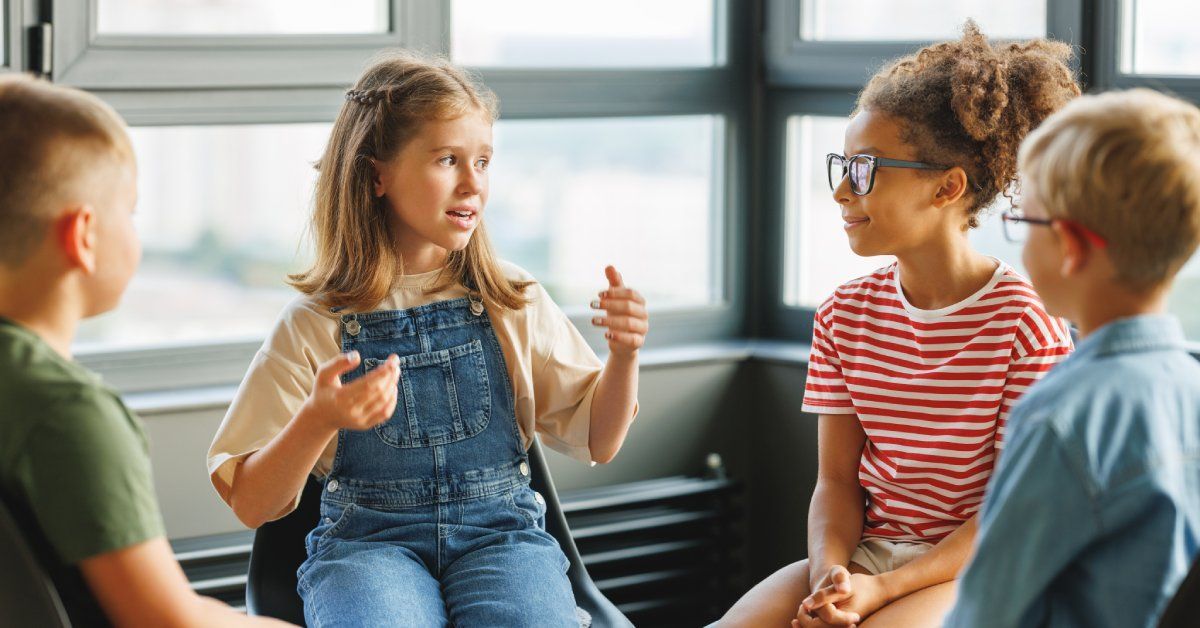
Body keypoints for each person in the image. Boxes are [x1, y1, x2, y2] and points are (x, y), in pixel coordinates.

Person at [207, 51, 646, 627]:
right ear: (376, 174)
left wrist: (624, 356)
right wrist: (317, 419)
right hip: (367, 549)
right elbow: (251, 503)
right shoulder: (314, 323)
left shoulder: (511, 296)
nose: (473, 183)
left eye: (483, 161)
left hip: (502, 540)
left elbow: (601, 438)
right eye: (448, 159)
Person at [717, 23, 1079, 627]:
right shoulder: (843, 314)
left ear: (947, 187)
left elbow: (1008, 511)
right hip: (868, 560)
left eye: (864, 170)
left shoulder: (1025, 325)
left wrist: (883, 593)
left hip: (980, 568)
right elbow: (835, 482)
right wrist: (829, 576)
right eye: (842, 165)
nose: (839, 191)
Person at [0, 74, 286, 627]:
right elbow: (166, 621)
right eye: (129, 212)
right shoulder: (65, 411)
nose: (135, 230)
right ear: (83, 236)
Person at [945, 88, 1200, 628]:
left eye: (1025, 221)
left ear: (1070, 245)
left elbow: (985, 613)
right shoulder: (1190, 384)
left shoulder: (1062, 416)